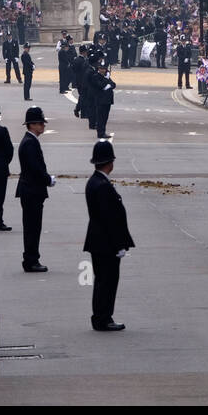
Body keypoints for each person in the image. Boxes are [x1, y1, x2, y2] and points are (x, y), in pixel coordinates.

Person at [84, 139, 135, 331]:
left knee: (102, 280)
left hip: (98, 240)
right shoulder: (103, 186)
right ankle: (104, 318)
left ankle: (101, 316)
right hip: (106, 243)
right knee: (108, 281)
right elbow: (110, 219)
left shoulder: (94, 182)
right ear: (110, 162)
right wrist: (119, 244)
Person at [16, 106, 54, 272]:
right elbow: (35, 168)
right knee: (32, 227)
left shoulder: (30, 141)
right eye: (40, 123)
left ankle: (31, 258)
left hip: (30, 190)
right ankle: (31, 260)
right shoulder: (30, 143)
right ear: (32, 125)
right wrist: (48, 180)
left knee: (32, 227)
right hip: (32, 190)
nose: (43, 126)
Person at [92, 61, 116, 138]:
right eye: (101, 69)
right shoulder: (96, 76)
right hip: (100, 100)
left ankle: (103, 131)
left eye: (104, 69)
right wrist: (106, 81)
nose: (103, 70)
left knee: (105, 117)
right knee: (100, 118)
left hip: (107, 100)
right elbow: (100, 85)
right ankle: (100, 133)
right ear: (98, 69)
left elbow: (113, 84)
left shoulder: (106, 76)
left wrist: (108, 85)